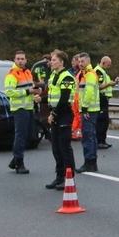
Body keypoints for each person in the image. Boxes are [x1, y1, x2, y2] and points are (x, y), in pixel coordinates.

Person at [44, 49, 77, 190]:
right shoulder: (53, 75)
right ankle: (59, 176)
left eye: (54, 60)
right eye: (51, 60)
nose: (51, 62)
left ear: (61, 62)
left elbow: (63, 99)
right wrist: (42, 99)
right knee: (56, 148)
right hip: (55, 111)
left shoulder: (67, 77)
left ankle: (69, 178)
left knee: (64, 147)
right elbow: (53, 96)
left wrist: (54, 114)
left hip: (63, 113)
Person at [4, 50, 38, 175]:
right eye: (18, 58)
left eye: (22, 59)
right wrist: (27, 92)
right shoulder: (12, 75)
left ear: (26, 60)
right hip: (19, 109)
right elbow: (9, 92)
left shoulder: (27, 72)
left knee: (30, 135)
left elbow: (30, 87)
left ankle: (15, 159)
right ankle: (19, 162)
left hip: (29, 107)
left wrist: (36, 90)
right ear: (14, 60)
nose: (20, 61)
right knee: (21, 136)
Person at [76, 52, 101, 173]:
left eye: (83, 61)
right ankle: (92, 162)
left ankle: (89, 161)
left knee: (87, 136)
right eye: (79, 61)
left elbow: (89, 92)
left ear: (88, 62)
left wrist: (84, 107)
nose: (80, 64)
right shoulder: (84, 74)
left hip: (89, 110)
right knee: (90, 136)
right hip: (89, 109)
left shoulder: (89, 74)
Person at [94, 56, 119, 149]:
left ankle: (103, 140)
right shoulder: (98, 71)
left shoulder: (104, 72)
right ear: (103, 62)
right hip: (100, 98)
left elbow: (107, 86)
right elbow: (98, 86)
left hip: (105, 99)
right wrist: (109, 84)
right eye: (108, 65)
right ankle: (99, 141)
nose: (109, 67)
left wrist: (113, 83)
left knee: (105, 121)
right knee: (101, 121)